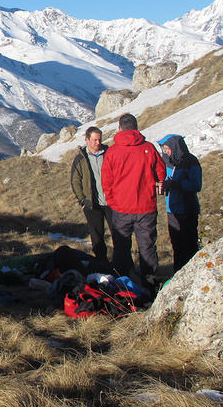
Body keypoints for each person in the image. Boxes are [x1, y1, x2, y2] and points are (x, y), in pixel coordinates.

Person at [101, 113, 167, 288]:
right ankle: (150, 284)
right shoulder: (148, 148)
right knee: (147, 246)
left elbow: (106, 180)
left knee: (121, 247)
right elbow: (161, 172)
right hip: (146, 206)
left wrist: (113, 201)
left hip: (122, 208)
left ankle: (122, 284)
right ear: (136, 127)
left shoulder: (113, 151)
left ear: (120, 128)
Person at [159, 134, 202, 273]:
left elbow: (196, 185)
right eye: (165, 149)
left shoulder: (191, 161)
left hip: (187, 209)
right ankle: (178, 274)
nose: (167, 152)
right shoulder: (168, 162)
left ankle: (193, 273)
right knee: (176, 245)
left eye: (168, 149)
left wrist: (175, 184)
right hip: (172, 209)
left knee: (189, 244)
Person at [70, 126, 113, 260]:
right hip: (92, 204)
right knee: (97, 236)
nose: (98, 143)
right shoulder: (81, 158)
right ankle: (102, 263)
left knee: (118, 234)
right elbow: (75, 181)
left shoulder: (109, 153)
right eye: (94, 140)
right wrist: (83, 201)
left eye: (99, 140)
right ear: (87, 139)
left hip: (112, 202)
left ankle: (122, 265)